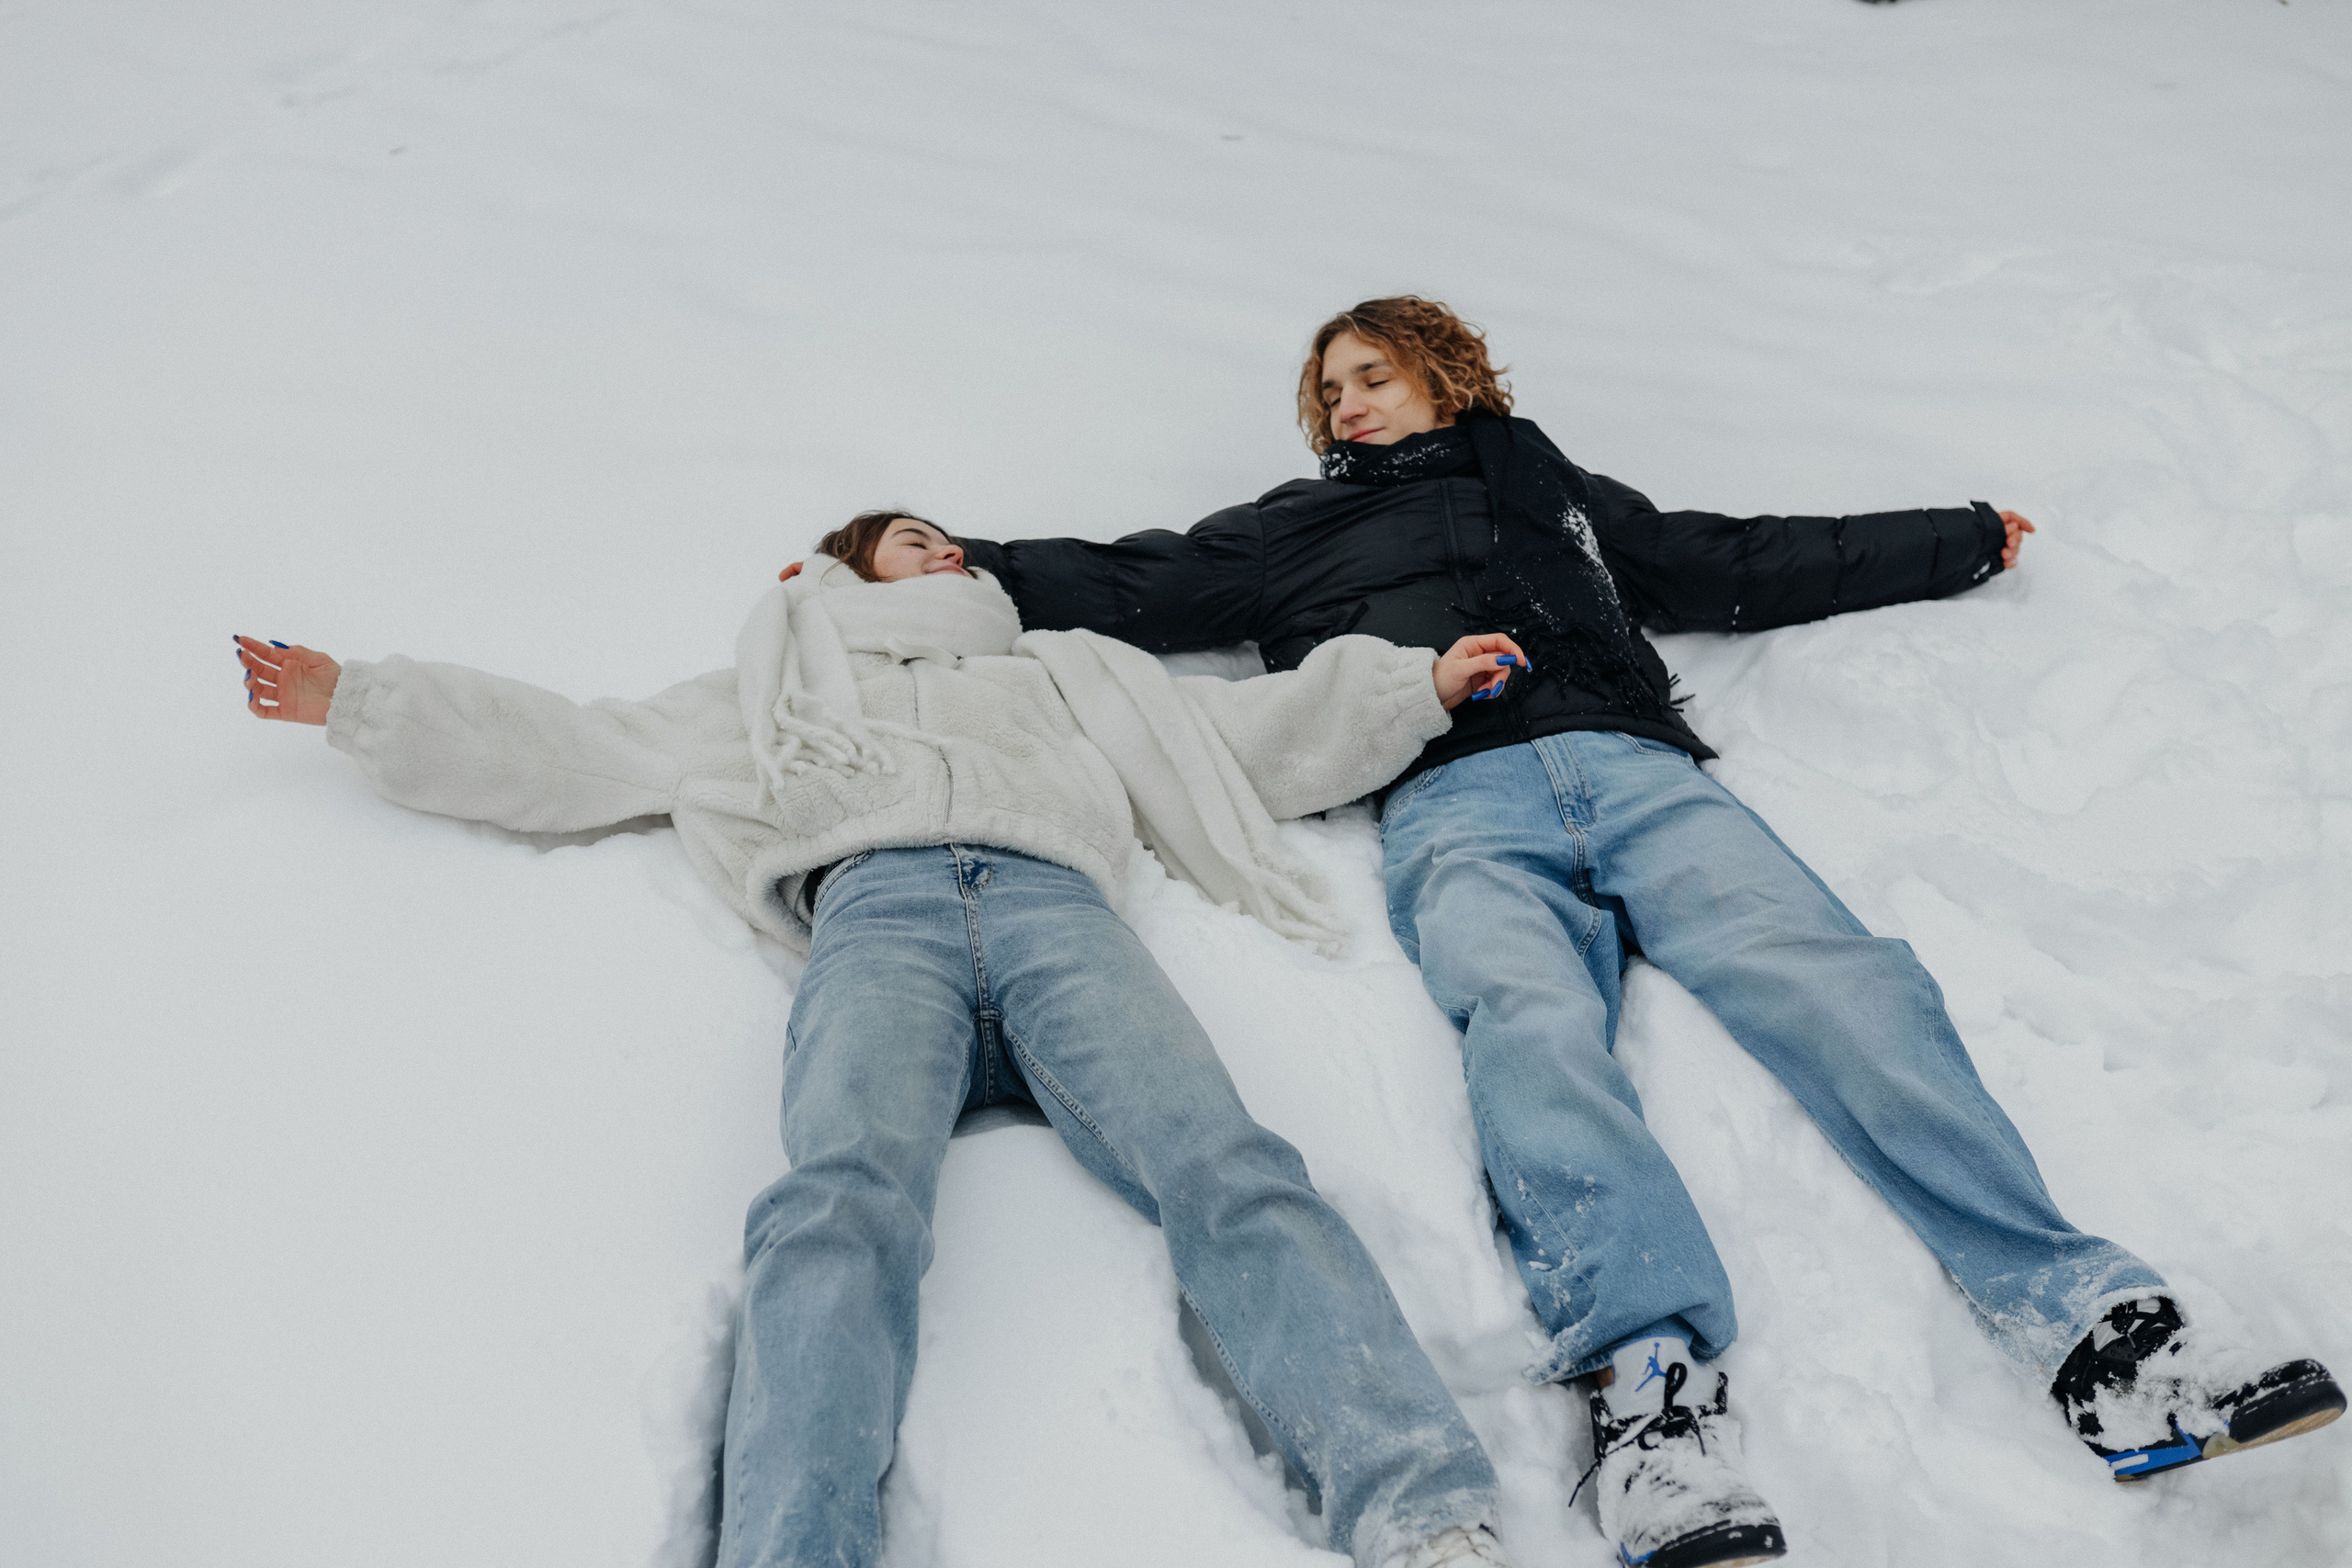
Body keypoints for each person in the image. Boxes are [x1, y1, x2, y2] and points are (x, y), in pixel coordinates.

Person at [950, 299, 2345, 1568]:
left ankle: (2101, 1336)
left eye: (1372, 376)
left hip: (1637, 771)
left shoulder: (1550, 492)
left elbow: (1732, 562)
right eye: (1330, 396)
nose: (1348, 407)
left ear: (1445, 373)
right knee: (1535, 1038)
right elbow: (1129, 583)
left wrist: (1957, 537)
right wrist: (950, 570)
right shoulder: (1283, 533)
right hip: (1454, 800)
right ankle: (1650, 1412)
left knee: (1845, 988)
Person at [232, 510, 1541, 1568]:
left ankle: (1426, 1516)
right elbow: (583, 751)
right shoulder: (777, 681)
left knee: (1227, 1164)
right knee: (838, 1208)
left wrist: (1409, 689)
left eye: (957, 544)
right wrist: (367, 703)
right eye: (917, 540)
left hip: (1054, 911)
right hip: (875, 913)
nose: (951, 554)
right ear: (852, 563)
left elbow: (1230, 738)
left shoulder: (1055, 670)